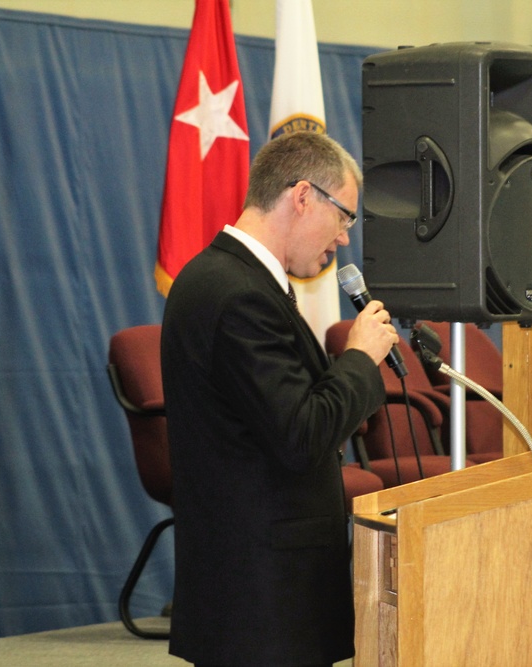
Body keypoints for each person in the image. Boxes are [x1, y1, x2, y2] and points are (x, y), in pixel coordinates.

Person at [161, 131, 398, 666]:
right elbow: (301, 434)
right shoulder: (239, 293)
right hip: (260, 596)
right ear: (302, 196)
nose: (343, 239)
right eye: (344, 218)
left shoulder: (226, 279)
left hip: (252, 586)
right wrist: (359, 359)